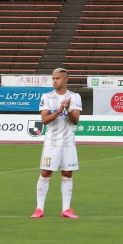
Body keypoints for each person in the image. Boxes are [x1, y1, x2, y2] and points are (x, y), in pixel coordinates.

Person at [32, 68, 82, 219]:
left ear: (65, 80)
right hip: (52, 143)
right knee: (46, 173)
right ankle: (39, 209)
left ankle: (66, 209)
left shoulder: (75, 97)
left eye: (57, 78)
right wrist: (60, 110)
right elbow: (44, 120)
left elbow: (75, 120)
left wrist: (69, 109)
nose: (54, 81)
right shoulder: (47, 97)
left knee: (67, 173)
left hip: (68, 143)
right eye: (53, 78)